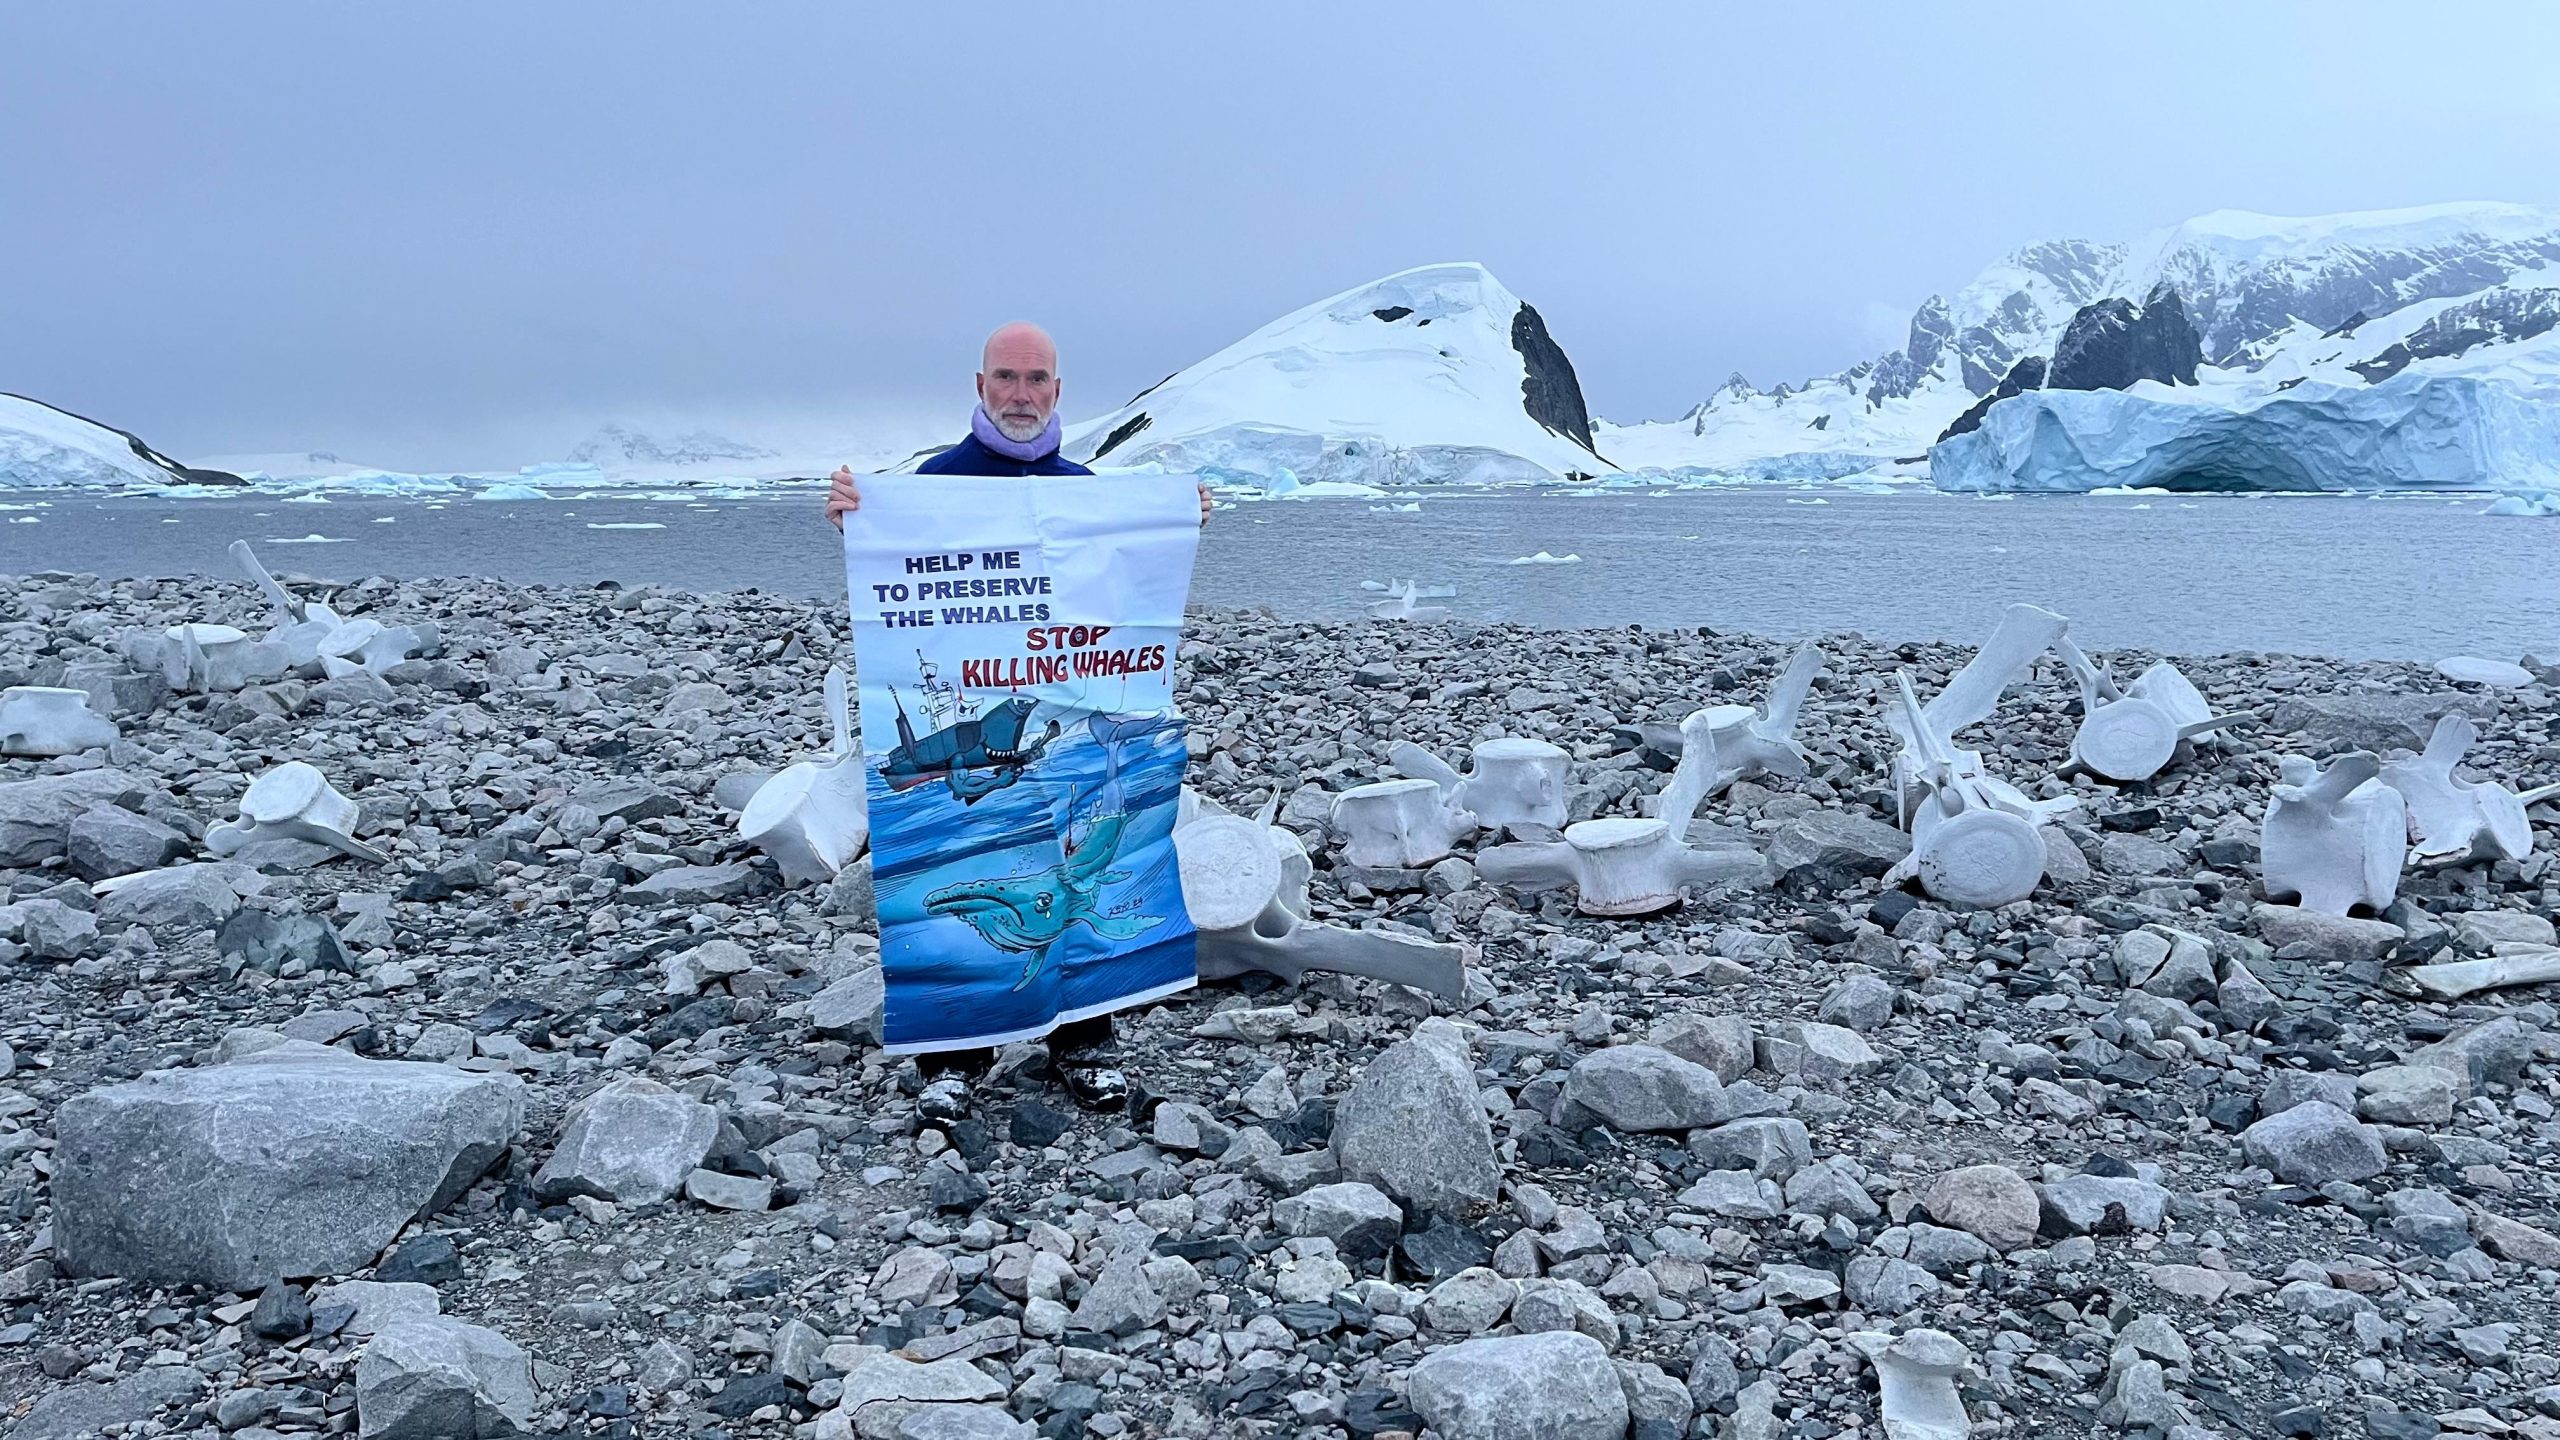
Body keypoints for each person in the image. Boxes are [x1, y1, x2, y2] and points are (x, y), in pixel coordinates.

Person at [827, 322, 1208, 1112]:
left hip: (1055, 728)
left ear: (1058, 391)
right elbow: (895, 568)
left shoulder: (1086, 488)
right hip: (981, 724)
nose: (1022, 394)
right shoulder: (933, 485)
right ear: (981, 385)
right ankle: (954, 1055)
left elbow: (1125, 587)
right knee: (966, 867)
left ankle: (1085, 1040)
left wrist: (1172, 523)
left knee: (1081, 874)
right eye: (1007, 377)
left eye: (1037, 379)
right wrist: (857, 518)